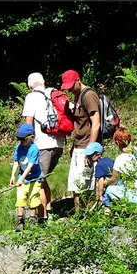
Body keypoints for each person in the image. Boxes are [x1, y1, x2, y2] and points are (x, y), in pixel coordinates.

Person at [21, 72, 64, 223]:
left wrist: (26, 145)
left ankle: (43, 218)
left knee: (37, 182)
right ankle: (49, 211)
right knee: (43, 180)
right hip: (58, 144)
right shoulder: (53, 93)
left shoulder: (31, 97)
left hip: (42, 145)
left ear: (29, 86)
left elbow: (28, 123)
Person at [61, 70, 101, 212]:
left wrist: (90, 149)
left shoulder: (89, 95)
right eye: (67, 87)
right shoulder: (78, 96)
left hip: (86, 147)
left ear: (78, 80)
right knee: (76, 186)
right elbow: (80, 124)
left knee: (84, 186)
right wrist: (74, 145)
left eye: (71, 86)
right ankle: (80, 217)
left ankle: (85, 218)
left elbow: (96, 123)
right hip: (79, 146)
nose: (70, 90)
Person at [100, 128, 137, 209]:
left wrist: (105, 185)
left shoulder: (121, 158)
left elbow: (114, 180)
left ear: (117, 142)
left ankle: (110, 214)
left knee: (109, 190)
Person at [10, 123, 43, 231]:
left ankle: (33, 221)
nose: (22, 142)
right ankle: (20, 222)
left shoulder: (34, 149)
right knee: (20, 199)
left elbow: (30, 166)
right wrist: (13, 176)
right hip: (22, 178)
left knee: (33, 199)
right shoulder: (18, 148)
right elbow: (16, 161)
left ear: (31, 137)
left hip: (34, 178)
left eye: (23, 139)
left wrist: (21, 179)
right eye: (20, 140)